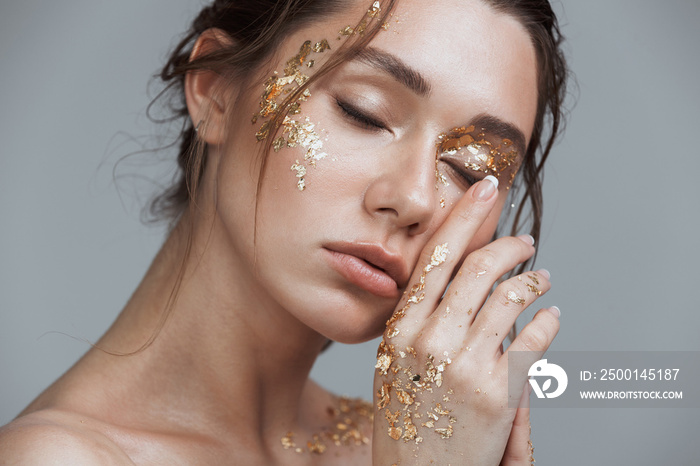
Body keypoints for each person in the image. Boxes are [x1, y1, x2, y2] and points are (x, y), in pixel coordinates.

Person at [0, 0, 568, 464]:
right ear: (215, 88)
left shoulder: (423, 448)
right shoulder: (58, 457)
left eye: (472, 169)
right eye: (363, 111)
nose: (415, 199)